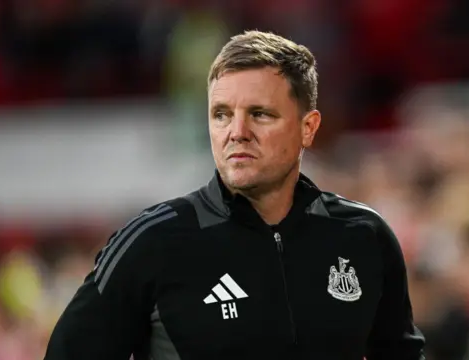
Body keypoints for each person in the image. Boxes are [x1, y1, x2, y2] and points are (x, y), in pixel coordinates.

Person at [44, 30, 425, 360]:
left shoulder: (364, 236)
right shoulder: (151, 242)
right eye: (221, 114)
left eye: (260, 114)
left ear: (308, 128)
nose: (236, 132)